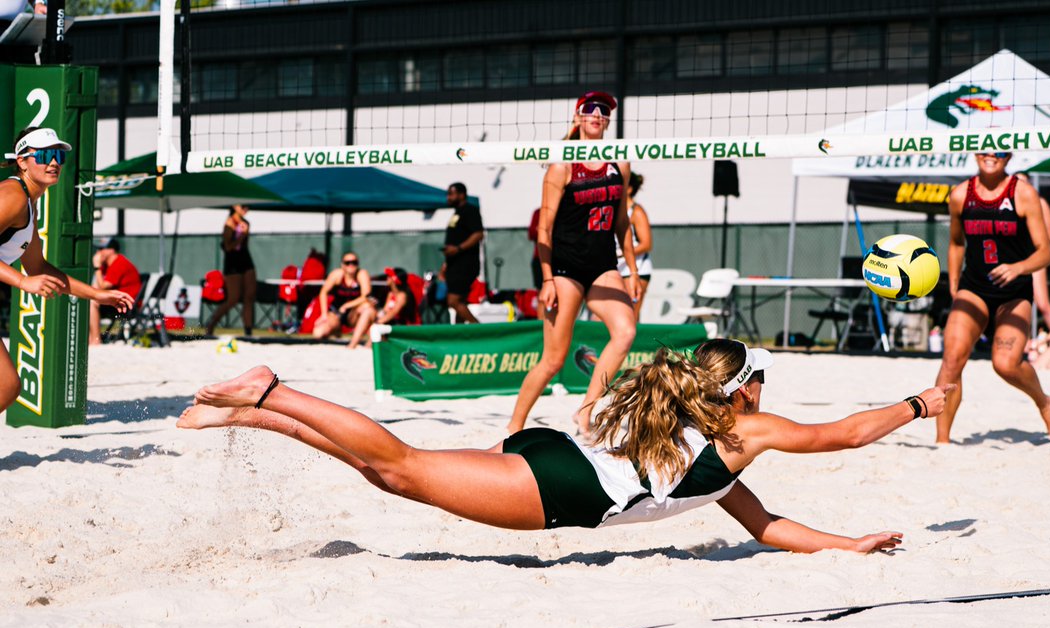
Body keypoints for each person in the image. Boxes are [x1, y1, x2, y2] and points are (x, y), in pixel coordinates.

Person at [179, 339, 953, 553]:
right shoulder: (742, 433)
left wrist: (847, 543)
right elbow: (843, 433)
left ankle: (256, 416)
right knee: (401, 466)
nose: (767, 392)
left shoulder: (711, 452)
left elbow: (765, 524)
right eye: (764, 379)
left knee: (395, 477)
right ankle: (273, 390)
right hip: (566, 492)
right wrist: (923, 401)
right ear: (743, 388)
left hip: (557, 462)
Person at [508, 91, 641, 437]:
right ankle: (514, 426)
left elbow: (621, 224)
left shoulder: (619, 163)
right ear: (579, 116)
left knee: (625, 332)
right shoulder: (561, 165)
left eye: (604, 110)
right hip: (565, 268)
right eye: (591, 108)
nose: (598, 113)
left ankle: (585, 410)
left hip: (603, 266)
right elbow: (544, 229)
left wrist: (633, 271)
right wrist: (547, 278)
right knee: (553, 360)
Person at [935, 151, 1050, 444]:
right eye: (986, 149)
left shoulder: (1023, 192)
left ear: (1009, 157)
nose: (991, 156)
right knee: (952, 359)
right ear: (975, 152)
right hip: (974, 287)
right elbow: (956, 243)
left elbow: (1045, 253)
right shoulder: (960, 195)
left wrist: (1018, 267)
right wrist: (954, 283)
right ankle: (942, 442)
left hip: (1013, 292)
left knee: (1005, 364)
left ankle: (1043, 401)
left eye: (1000, 151)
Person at [1, 127, 134, 412]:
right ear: (22, 160)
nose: (54, 163)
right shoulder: (12, 195)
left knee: (7, 387)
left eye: (59, 156)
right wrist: (24, 283)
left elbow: (38, 266)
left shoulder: (28, 203)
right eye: (46, 155)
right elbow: (31, 276)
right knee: (7, 386)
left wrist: (97, 295)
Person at [1014, 173, 1050, 333]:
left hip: (1034, 257)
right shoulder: (1009, 203)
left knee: (1042, 303)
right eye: (1017, 181)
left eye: (1023, 181)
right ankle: (1023, 343)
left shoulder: (1039, 202)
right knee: (1016, 304)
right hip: (1014, 258)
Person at [204, 204, 256, 337]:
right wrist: (242, 236)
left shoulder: (246, 223)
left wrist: (244, 235)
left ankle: (248, 330)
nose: (246, 209)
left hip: (246, 262)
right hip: (232, 264)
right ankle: (211, 324)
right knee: (233, 298)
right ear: (235, 206)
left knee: (249, 296)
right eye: (243, 206)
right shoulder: (229, 223)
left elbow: (244, 247)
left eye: (247, 207)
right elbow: (228, 247)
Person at [312, 251, 377, 349]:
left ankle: (353, 344)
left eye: (354, 262)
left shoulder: (362, 274)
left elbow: (366, 296)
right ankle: (336, 332)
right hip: (337, 313)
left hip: (354, 314)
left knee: (368, 308)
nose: (351, 265)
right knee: (318, 333)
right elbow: (323, 292)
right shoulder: (337, 274)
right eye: (348, 263)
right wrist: (324, 314)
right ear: (342, 265)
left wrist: (347, 305)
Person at [441, 182, 484, 324]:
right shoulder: (457, 213)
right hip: (454, 264)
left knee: (453, 301)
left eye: (451, 194)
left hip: (465, 264)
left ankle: (479, 330)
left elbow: (478, 234)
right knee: (460, 301)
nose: (448, 198)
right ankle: (461, 335)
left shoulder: (470, 210)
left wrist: (458, 248)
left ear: (462, 194)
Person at [88, 237, 142, 345]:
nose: (98, 252)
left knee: (92, 302)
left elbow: (103, 287)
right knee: (88, 299)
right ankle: (90, 338)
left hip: (127, 305)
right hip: (117, 301)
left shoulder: (119, 263)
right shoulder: (107, 265)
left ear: (111, 250)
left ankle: (95, 340)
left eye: (102, 249)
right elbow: (97, 287)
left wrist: (97, 267)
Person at [616, 172, 653, 321]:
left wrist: (621, 254)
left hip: (636, 268)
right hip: (616, 269)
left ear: (629, 188)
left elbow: (646, 244)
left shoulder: (636, 212)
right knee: (604, 318)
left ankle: (635, 345)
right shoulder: (614, 210)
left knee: (630, 316)